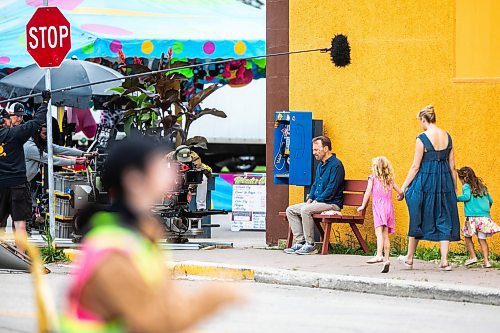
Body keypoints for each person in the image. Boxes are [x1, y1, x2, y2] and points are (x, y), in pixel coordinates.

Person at [61, 138, 237, 332]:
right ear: (134, 180)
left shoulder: (139, 235)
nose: (170, 174)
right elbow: (154, 321)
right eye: (159, 169)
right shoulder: (113, 250)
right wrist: (211, 299)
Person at [398, 105, 460, 271]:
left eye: (420, 121)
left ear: (423, 120)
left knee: (417, 214)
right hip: (444, 181)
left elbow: (415, 167)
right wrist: (454, 189)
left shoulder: (422, 138)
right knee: (444, 216)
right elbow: (453, 166)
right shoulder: (448, 136)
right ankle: (444, 260)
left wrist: (403, 187)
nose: (420, 124)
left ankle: (410, 258)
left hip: (426, 181)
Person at [0, 91, 50, 251]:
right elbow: (37, 123)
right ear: (5, 121)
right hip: (18, 184)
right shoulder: (15, 134)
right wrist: (45, 102)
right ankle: (21, 255)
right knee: (20, 223)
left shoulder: (14, 132)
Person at [284, 136, 345, 255]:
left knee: (306, 210)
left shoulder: (336, 165)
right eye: (313, 150)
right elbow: (315, 184)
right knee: (290, 210)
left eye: (317, 150)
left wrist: (318, 200)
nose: (314, 153)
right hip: (319, 202)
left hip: (331, 204)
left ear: (326, 148)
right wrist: (310, 198)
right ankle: (300, 242)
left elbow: (332, 188)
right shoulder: (320, 165)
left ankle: (310, 245)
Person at [357, 156, 403, 273]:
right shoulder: (389, 179)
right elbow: (401, 192)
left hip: (379, 207)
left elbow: (367, 193)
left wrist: (362, 206)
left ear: (375, 168)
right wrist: (400, 196)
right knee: (385, 234)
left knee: (379, 233)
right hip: (388, 208)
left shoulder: (372, 178)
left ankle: (379, 254)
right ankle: (386, 260)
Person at [457, 167, 499, 268]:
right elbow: (491, 200)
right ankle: (486, 261)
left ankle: (473, 256)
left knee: (467, 236)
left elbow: (466, 197)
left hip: (472, 217)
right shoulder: (482, 186)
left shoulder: (466, 186)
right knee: (482, 239)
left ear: (464, 179)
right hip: (484, 217)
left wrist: (455, 198)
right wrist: (485, 211)